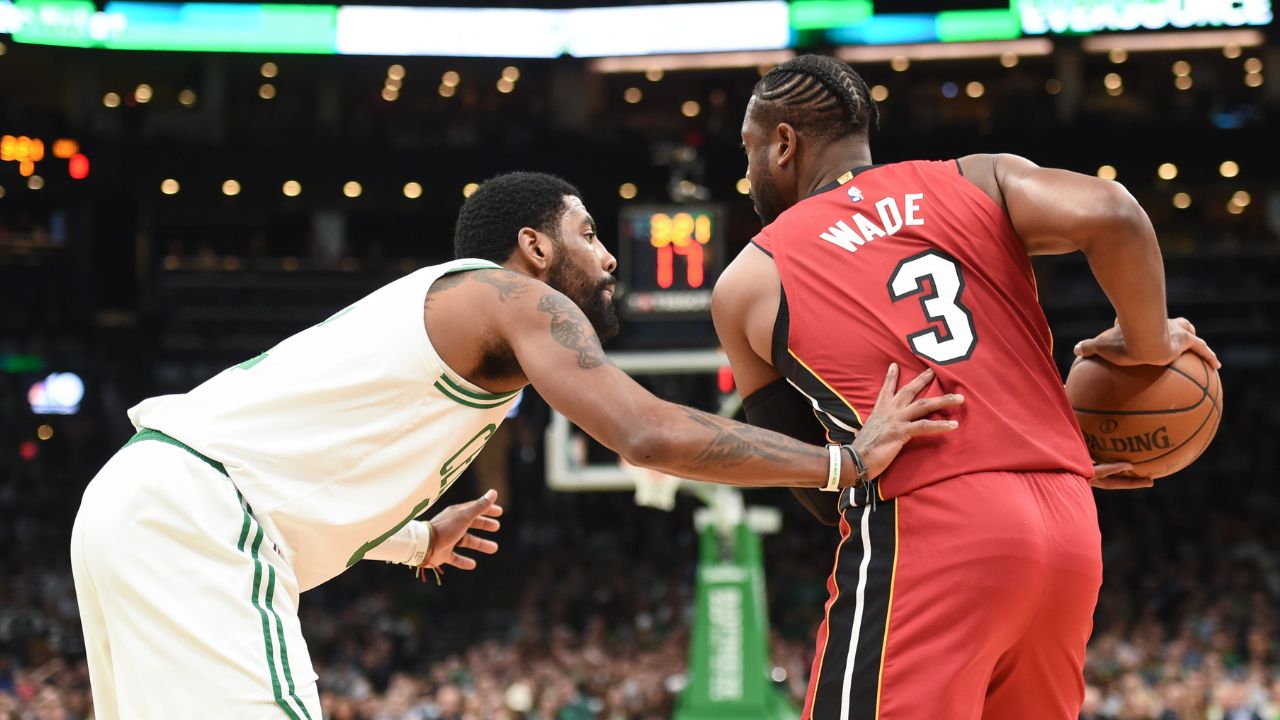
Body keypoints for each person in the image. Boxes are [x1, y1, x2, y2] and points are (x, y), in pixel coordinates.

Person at [70, 171, 962, 719]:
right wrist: (842, 460)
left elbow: (304, 468)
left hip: (146, 500)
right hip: (195, 515)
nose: (610, 257)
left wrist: (416, 535)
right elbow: (645, 429)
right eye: (586, 234)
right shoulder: (516, 298)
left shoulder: (458, 336)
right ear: (533, 245)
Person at [711, 55, 1220, 720]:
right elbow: (1115, 212)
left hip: (934, 531)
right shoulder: (978, 177)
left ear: (783, 143)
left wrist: (957, 476)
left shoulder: (749, 278)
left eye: (748, 149)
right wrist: (1149, 347)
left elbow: (812, 475)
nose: (746, 170)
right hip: (1067, 521)